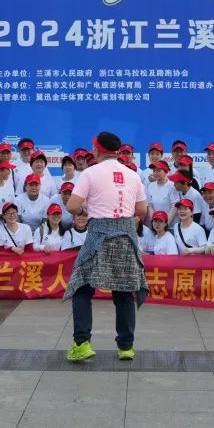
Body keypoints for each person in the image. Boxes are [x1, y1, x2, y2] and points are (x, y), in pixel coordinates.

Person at [64, 131, 148, 363]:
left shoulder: (90, 173)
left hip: (98, 235)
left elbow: (72, 206)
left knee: (81, 288)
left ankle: (81, 343)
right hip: (126, 236)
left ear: (97, 150)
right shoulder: (132, 174)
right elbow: (142, 210)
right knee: (124, 291)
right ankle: (126, 347)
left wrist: (85, 209)